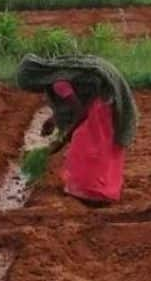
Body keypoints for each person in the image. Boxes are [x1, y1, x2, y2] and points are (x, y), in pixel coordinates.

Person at [16, 53, 138, 207]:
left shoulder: (58, 84)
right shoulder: (59, 72)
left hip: (101, 105)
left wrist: (62, 139)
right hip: (102, 99)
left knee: (85, 149)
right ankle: (99, 190)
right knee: (99, 148)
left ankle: (89, 192)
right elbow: (77, 103)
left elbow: (80, 113)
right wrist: (53, 120)